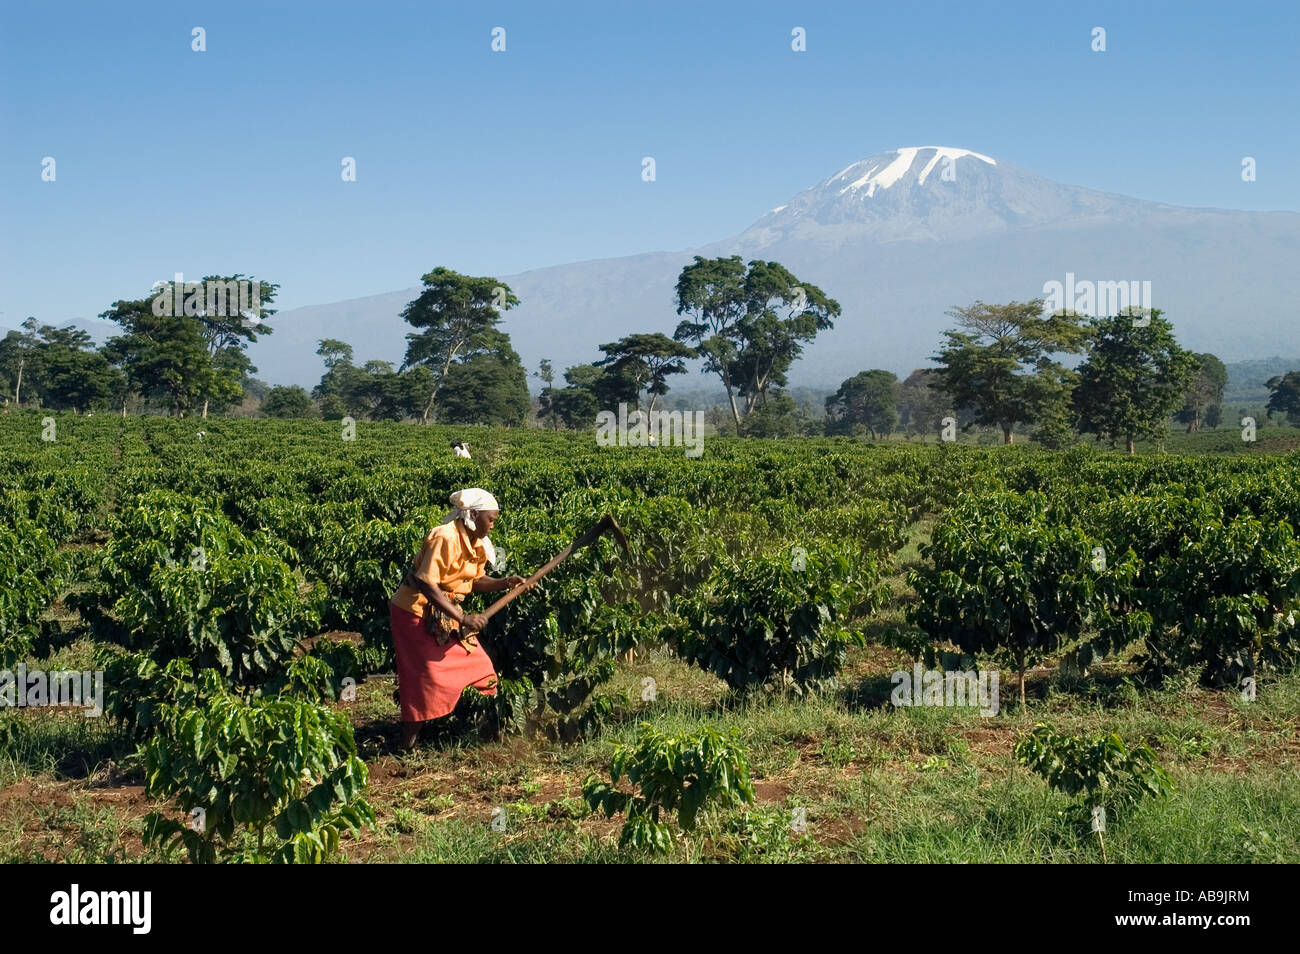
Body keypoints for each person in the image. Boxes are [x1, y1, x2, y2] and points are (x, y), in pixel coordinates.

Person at [388, 488, 527, 750]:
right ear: (473, 514)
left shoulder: (477, 544)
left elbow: (474, 581)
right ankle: (406, 745)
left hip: (444, 614)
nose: (493, 525)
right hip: (414, 613)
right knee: (424, 676)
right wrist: (463, 618)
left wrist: (505, 583)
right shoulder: (445, 537)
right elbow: (426, 582)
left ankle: (477, 731)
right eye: (491, 519)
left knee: (481, 667)